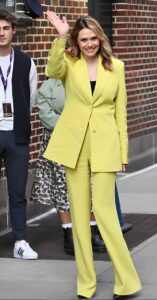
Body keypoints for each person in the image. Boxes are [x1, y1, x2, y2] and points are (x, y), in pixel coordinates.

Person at [44, 12, 142, 299]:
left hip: (105, 146)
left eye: (93, 39)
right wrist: (61, 37)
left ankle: (127, 282)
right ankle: (85, 285)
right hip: (74, 146)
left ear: (101, 38)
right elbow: (51, 70)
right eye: (83, 39)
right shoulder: (69, 62)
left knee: (104, 213)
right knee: (78, 215)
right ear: (77, 40)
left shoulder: (117, 67)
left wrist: (123, 151)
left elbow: (120, 113)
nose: (89, 44)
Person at [30, 78, 132, 255]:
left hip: (88, 141)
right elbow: (46, 117)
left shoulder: (88, 78)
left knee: (91, 187)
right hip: (60, 143)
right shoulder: (48, 86)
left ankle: (92, 231)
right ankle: (68, 233)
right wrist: (74, 124)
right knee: (61, 189)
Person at [0, 9, 38, 259]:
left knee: (16, 190)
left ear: (14, 31)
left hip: (16, 135)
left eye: (5, 28)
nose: (1, 33)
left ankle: (21, 242)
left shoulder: (25, 62)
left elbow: (31, 97)